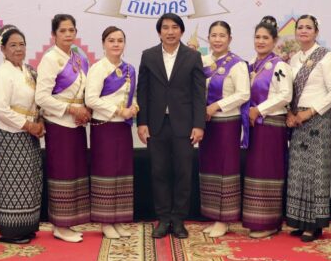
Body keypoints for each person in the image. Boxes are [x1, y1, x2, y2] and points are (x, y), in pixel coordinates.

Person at [136, 13, 206, 239]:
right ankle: (163, 218)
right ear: (159, 32)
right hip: (156, 124)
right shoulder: (148, 56)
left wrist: (199, 125)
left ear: (181, 31)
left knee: (183, 173)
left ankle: (178, 220)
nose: (170, 32)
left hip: (184, 125)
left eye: (175, 27)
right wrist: (142, 122)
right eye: (165, 27)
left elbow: (199, 94)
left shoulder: (193, 56)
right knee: (159, 172)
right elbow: (142, 91)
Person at [35, 14, 92, 243]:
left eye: (71, 30)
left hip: (76, 124)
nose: (68, 34)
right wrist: (71, 109)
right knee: (62, 173)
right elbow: (41, 97)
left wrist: (85, 110)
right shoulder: (50, 59)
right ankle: (59, 225)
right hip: (59, 124)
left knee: (75, 173)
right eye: (63, 31)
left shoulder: (78, 58)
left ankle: (69, 221)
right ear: (53, 35)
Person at [285, 14, 331, 242]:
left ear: (316, 32)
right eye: (300, 27)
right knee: (299, 172)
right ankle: (300, 221)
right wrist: (290, 113)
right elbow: (289, 91)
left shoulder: (325, 56)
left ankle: (314, 225)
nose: (303, 31)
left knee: (316, 171)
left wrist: (309, 112)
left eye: (308, 27)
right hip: (298, 119)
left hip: (317, 118)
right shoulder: (294, 59)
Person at [0, 24, 44, 244]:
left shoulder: (27, 70)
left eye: (21, 44)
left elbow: (38, 100)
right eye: (12, 45)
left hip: (28, 131)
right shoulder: (3, 73)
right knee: (13, 180)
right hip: (10, 131)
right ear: (3, 49)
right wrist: (27, 125)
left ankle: (26, 225)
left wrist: (39, 122)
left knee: (29, 179)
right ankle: (10, 231)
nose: (18, 49)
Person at [242, 16, 293, 239]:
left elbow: (285, 95)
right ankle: (256, 219)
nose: (260, 41)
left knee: (269, 171)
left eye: (265, 38)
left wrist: (259, 110)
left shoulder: (279, 65)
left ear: (274, 41)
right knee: (255, 171)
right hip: (255, 126)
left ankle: (270, 222)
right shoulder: (250, 65)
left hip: (271, 124)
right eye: (257, 37)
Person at [84, 26, 137, 239]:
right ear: (103, 44)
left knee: (122, 171)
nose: (116, 44)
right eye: (111, 40)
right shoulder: (98, 68)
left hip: (122, 127)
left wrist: (134, 107)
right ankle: (105, 221)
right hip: (104, 126)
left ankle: (118, 218)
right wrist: (118, 110)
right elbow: (91, 99)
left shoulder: (129, 69)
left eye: (120, 40)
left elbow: (132, 95)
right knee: (105, 171)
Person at [199, 21, 250, 238]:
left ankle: (225, 219)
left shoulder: (237, 64)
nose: (217, 40)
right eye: (214, 35)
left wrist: (216, 106)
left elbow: (243, 94)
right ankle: (213, 215)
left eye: (222, 35)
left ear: (230, 39)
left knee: (225, 170)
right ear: (208, 38)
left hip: (227, 122)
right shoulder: (203, 61)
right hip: (207, 123)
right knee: (210, 168)